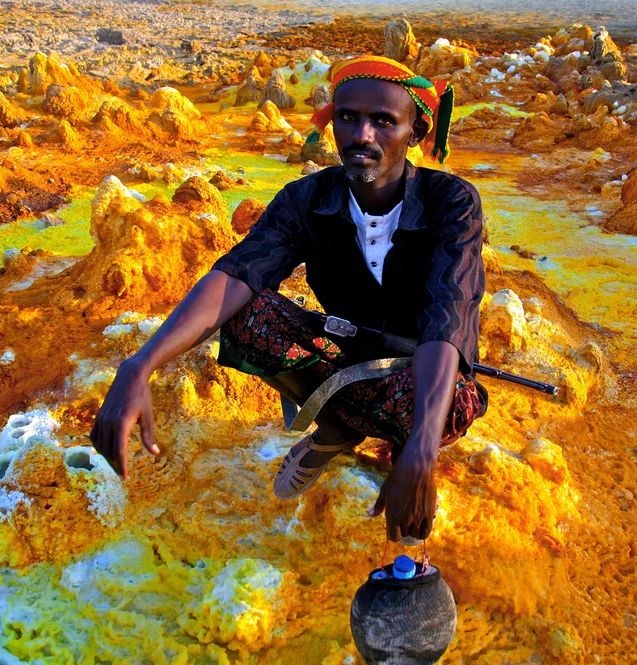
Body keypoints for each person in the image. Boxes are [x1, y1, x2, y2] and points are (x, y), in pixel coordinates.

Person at [90, 55, 488, 543]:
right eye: (348, 117)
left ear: (416, 130)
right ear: (332, 121)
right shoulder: (306, 199)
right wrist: (140, 364)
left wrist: (421, 452)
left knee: (452, 405)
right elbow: (239, 273)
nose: (362, 135)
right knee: (246, 318)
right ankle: (338, 430)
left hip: (424, 362)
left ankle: (396, 444)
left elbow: (450, 311)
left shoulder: (453, 202)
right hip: (346, 348)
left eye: (384, 121)